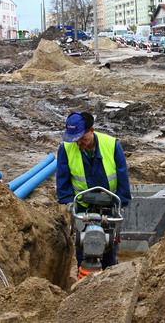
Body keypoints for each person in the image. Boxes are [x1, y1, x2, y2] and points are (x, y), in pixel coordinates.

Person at [56, 112, 132, 271]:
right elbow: (62, 179)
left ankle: (109, 278)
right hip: (83, 205)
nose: (77, 142)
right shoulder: (66, 148)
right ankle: (83, 281)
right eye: (73, 138)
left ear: (92, 130)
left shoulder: (111, 145)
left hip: (108, 205)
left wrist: (121, 202)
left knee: (109, 249)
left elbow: (122, 175)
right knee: (82, 248)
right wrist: (68, 201)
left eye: (81, 137)